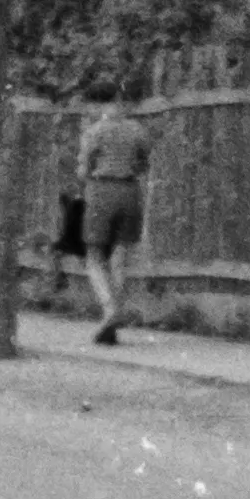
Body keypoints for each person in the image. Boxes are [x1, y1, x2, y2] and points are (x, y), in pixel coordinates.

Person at [71, 96, 153, 347]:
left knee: (93, 254)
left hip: (101, 191)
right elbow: (143, 165)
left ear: (100, 105)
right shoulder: (138, 131)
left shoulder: (94, 132)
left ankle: (109, 309)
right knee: (120, 255)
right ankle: (114, 316)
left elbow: (83, 171)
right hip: (130, 192)